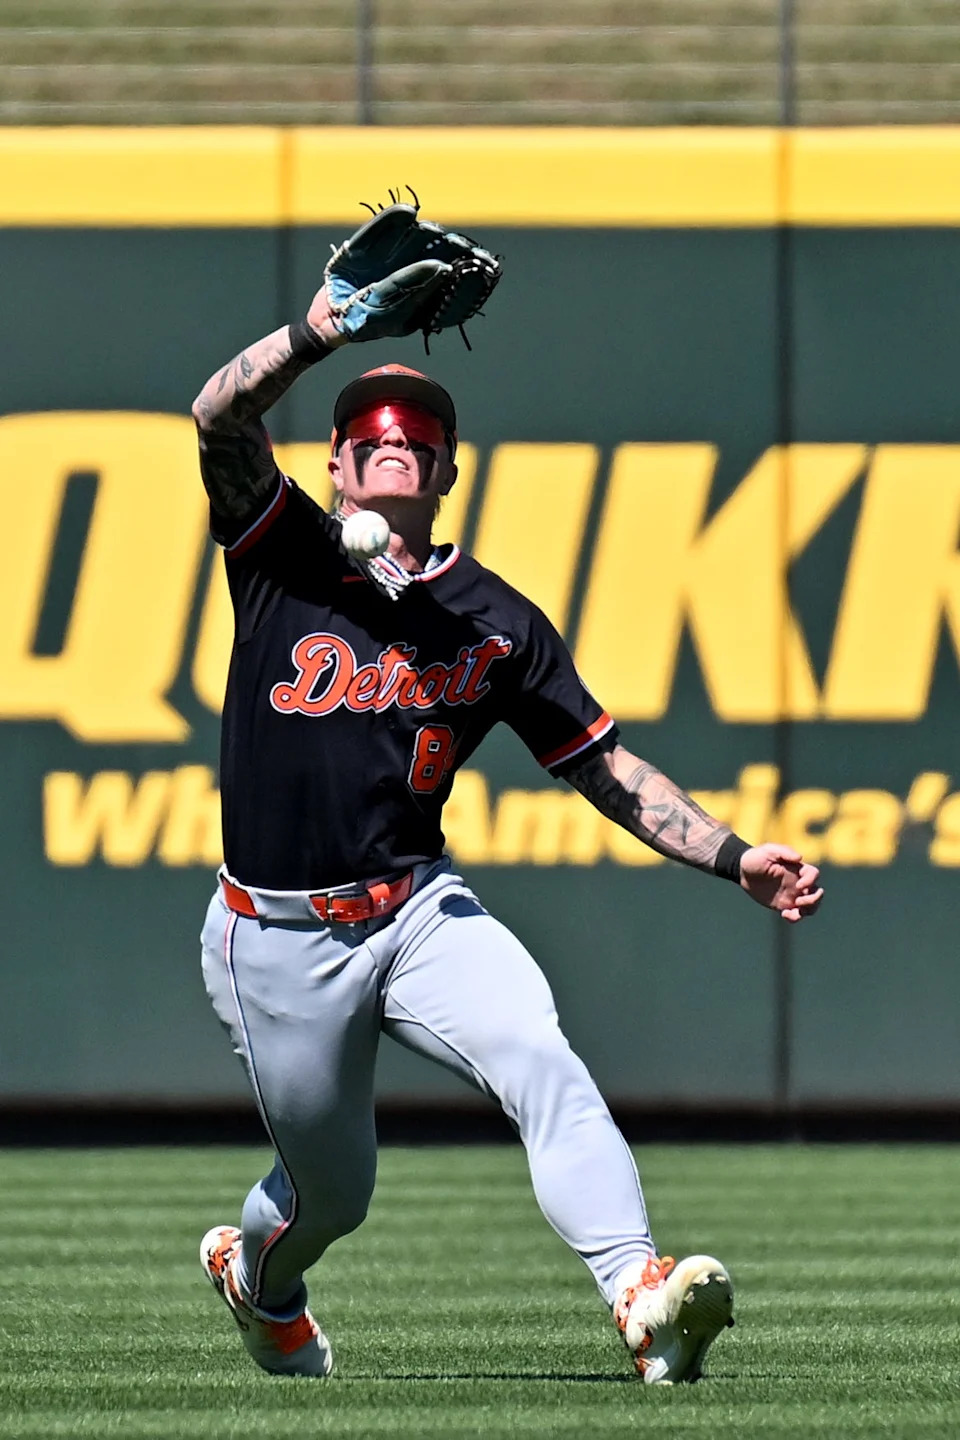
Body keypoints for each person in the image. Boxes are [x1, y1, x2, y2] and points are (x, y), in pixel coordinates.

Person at [191, 270, 823, 1386]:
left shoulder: (494, 620)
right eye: (369, 434)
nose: (395, 443)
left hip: (418, 908)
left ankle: (640, 1296)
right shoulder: (279, 551)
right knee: (336, 1193)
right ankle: (260, 1280)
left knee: (540, 1054)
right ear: (335, 461)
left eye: (420, 437)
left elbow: (605, 765)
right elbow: (219, 417)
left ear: (446, 472)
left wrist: (732, 854)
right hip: (279, 932)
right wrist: (323, 328)